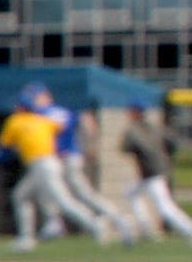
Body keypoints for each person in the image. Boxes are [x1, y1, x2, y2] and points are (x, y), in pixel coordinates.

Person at [1, 87, 114, 249]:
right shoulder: (43, 121)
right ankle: (26, 239)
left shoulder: (16, 121)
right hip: (50, 162)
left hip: (41, 165)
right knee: (20, 196)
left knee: (63, 201)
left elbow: (5, 147)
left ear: (21, 108)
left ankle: (94, 224)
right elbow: (64, 129)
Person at [47, 93, 134, 241]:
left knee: (80, 194)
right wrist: (92, 145)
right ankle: (53, 225)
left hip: (65, 158)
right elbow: (88, 123)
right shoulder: (59, 112)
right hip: (67, 157)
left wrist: (91, 145)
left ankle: (117, 219)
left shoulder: (48, 113)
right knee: (50, 193)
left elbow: (86, 122)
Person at [120, 108, 192, 244]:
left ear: (135, 113)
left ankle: (191, 229)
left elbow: (124, 148)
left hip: (152, 174)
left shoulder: (134, 131)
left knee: (165, 207)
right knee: (130, 193)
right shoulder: (154, 128)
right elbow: (172, 143)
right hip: (152, 172)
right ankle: (145, 227)